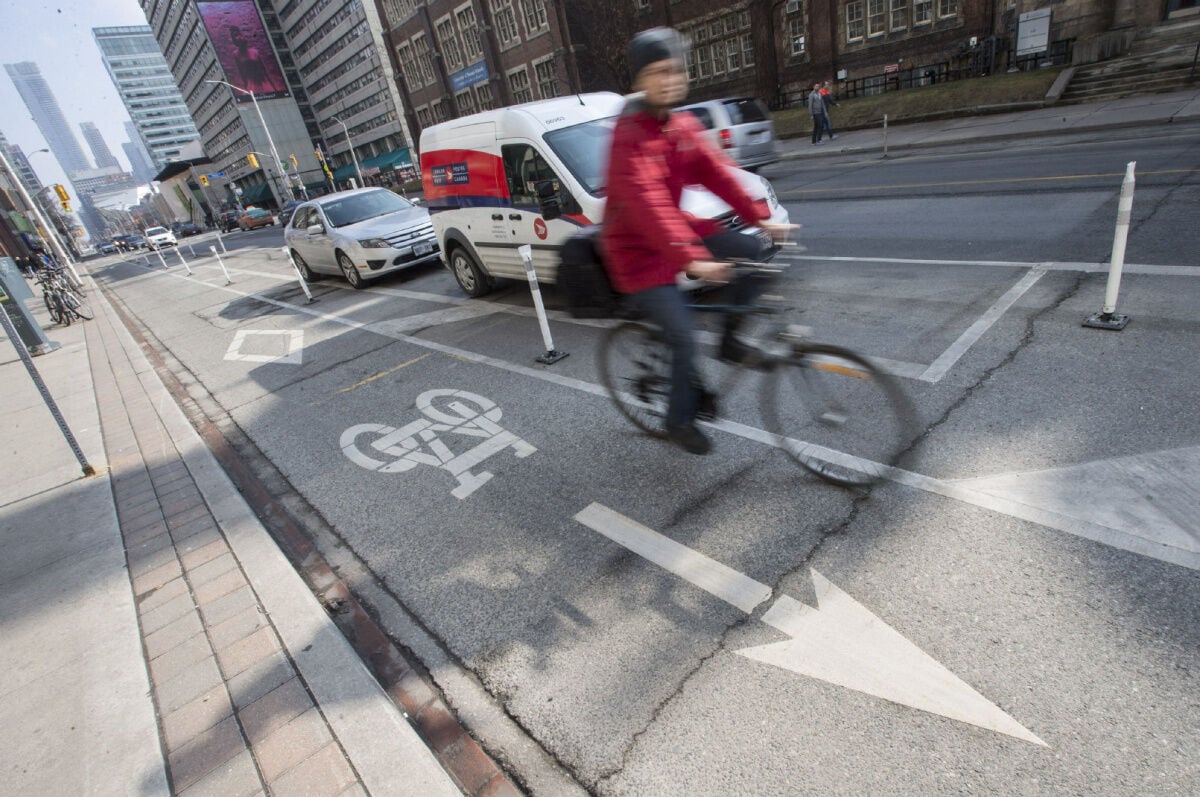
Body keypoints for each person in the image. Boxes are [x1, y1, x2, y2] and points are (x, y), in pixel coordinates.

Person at [603, 27, 793, 455]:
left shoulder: (681, 125)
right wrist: (693, 259)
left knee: (752, 251)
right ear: (638, 81)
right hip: (637, 254)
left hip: (675, 231)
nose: (669, 79)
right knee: (685, 334)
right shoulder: (629, 137)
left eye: (675, 70)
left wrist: (762, 218)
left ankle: (729, 341)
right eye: (657, 72)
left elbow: (718, 173)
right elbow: (647, 203)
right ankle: (677, 420)